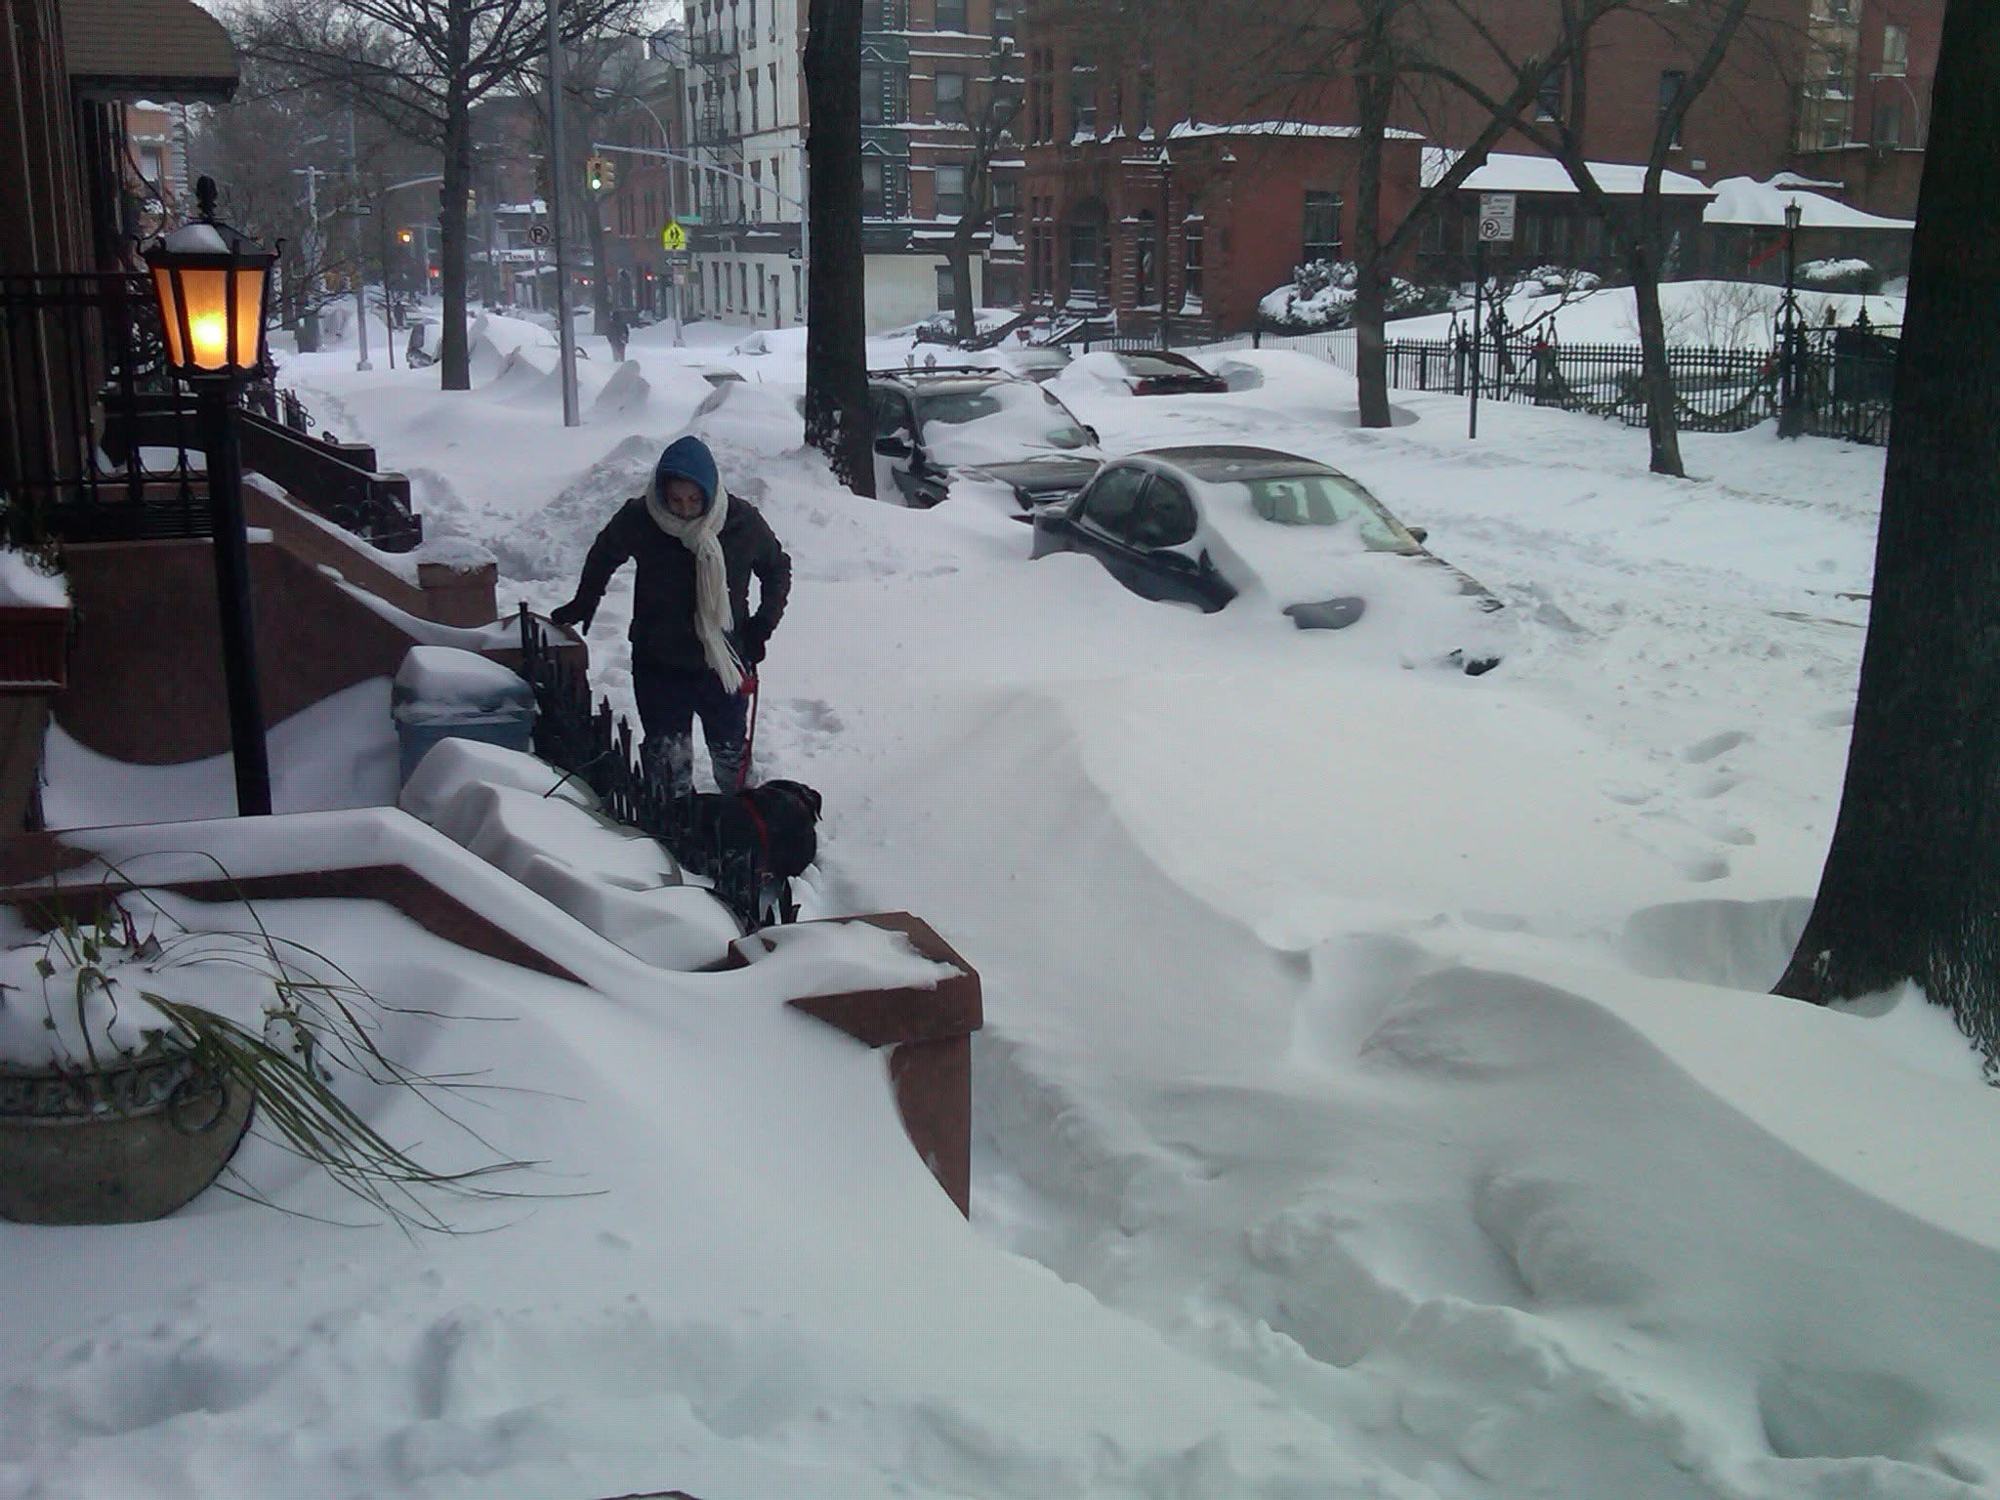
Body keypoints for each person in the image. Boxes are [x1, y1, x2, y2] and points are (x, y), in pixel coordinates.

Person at [550, 435, 790, 796]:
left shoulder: (741, 523)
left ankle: (743, 816)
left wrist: (762, 625)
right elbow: (605, 552)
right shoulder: (642, 518)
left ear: (710, 491)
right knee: (667, 764)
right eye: (675, 500)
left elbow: (777, 568)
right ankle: (676, 825)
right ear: (662, 493)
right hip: (659, 660)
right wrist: (587, 597)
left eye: (694, 499)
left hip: (722, 661)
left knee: (731, 755)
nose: (684, 509)